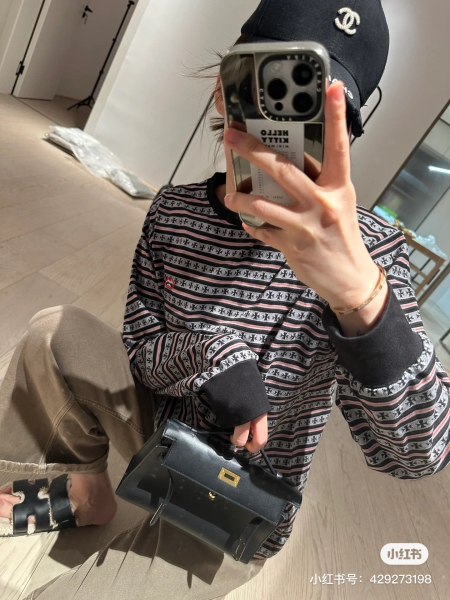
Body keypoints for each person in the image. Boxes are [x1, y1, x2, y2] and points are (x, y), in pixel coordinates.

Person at [1, 0, 449, 598]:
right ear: (225, 89)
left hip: (239, 502)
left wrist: (360, 299)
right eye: (273, 92)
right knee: (55, 329)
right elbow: (141, 348)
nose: (284, 133)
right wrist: (211, 354)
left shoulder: (372, 256)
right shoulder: (174, 211)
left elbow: (420, 453)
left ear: (348, 134)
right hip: (154, 435)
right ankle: (87, 492)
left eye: (320, 114)